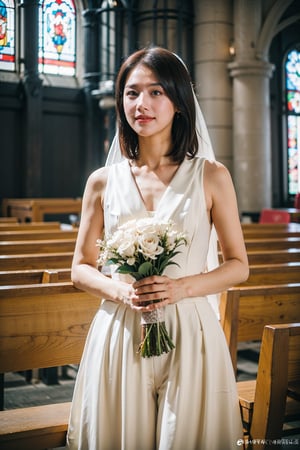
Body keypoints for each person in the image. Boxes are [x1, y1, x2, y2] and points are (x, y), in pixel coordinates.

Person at [66, 46, 249, 450]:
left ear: (179, 102)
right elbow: (80, 267)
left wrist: (181, 288)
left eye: (155, 93)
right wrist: (121, 291)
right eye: (131, 93)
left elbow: (238, 265)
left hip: (190, 328)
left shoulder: (212, 176)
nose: (141, 104)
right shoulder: (102, 181)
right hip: (120, 328)